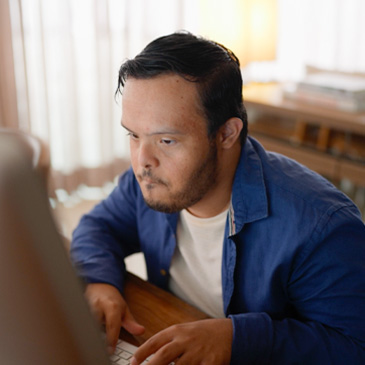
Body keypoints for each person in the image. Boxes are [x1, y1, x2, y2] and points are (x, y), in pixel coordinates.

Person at [70, 31, 365, 364]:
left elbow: (355, 346)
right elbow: (97, 227)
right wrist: (99, 281)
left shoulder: (321, 225)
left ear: (226, 133)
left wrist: (237, 337)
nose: (142, 162)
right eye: (134, 135)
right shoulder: (152, 179)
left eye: (166, 141)